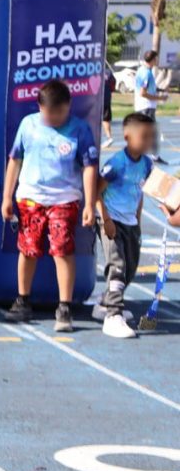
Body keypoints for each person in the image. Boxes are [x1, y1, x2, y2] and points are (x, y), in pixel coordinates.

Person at [2, 79, 98, 332]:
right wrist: (6, 197)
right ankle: (23, 299)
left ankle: (64, 306)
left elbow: (89, 166)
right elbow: (15, 160)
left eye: (59, 113)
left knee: (63, 251)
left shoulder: (79, 129)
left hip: (64, 198)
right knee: (28, 249)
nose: (54, 119)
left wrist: (89, 203)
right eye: (48, 114)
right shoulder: (28, 125)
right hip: (30, 197)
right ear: (39, 107)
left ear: (69, 106)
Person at [94, 112, 156, 338]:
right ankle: (113, 315)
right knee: (117, 264)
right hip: (112, 219)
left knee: (130, 267)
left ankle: (103, 302)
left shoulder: (147, 164)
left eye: (151, 136)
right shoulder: (117, 164)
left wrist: (138, 220)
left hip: (130, 221)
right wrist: (106, 220)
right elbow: (96, 193)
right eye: (144, 136)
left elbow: (140, 193)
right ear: (128, 136)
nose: (149, 141)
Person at [133, 49, 169, 164]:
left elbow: (150, 87)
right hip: (145, 107)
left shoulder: (143, 70)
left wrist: (160, 90)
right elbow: (143, 93)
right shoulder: (146, 73)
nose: (157, 60)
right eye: (156, 58)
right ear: (153, 59)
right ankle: (144, 156)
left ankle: (151, 155)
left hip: (145, 107)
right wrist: (160, 98)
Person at [101, 64, 116, 148]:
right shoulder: (108, 72)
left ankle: (109, 137)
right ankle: (109, 136)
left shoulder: (93, 69)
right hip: (106, 97)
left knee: (105, 118)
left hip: (99, 98)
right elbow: (113, 85)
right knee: (105, 118)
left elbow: (113, 84)